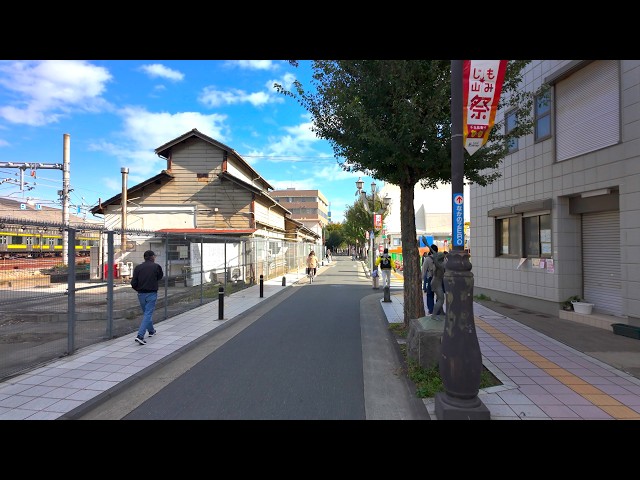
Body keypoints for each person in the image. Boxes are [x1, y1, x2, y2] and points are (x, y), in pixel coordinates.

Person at [130, 250, 164, 345]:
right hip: (152, 293)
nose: (155, 258)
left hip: (141, 294)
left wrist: (139, 289)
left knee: (146, 313)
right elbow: (160, 277)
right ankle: (140, 336)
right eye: (154, 256)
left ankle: (151, 331)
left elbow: (133, 283)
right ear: (152, 257)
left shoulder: (138, 268)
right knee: (148, 314)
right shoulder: (156, 266)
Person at [431, 251, 446, 319]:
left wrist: (435, 256)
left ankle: (441, 312)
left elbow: (435, 256)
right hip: (437, 283)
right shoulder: (440, 265)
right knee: (441, 299)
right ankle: (434, 315)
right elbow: (437, 262)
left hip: (435, 282)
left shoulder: (438, 264)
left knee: (439, 298)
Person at [423, 245, 437, 314]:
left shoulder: (428, 259)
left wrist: (422, 279)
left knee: (430, 294)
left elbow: (424, 270)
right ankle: (438, 310)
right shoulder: (441, 258)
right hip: (439, 278)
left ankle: (431, 310)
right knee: (439, 296)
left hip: (431, 278)